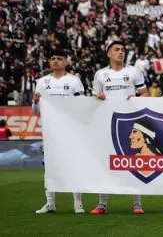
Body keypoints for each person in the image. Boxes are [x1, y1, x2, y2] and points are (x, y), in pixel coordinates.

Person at [91, 40, 148, 215]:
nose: (120, 52)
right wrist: (98, 97)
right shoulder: (100, 74)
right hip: (107, 122)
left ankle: (137, 203)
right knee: (105, 162)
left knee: (134, 162)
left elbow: (144, 93)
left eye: (122, 49)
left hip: (129, 122)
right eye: (116, 50)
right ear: (108, 53)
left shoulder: (134, 71)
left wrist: (138, 98)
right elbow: (94, 97)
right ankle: (102, 204)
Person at [32, 47, 85, 214]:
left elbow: (81, 106)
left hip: (70, 130)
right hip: (50, 132)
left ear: (66, 62)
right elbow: (35, 112)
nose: (56, 60)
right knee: (50, 167)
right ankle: (50, 203)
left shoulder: (74, 81)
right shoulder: (42, 82)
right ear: (49, 62)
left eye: (59, 58)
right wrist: (35, 102)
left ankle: (78, 203)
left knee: (74, 166)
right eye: (53, 58)